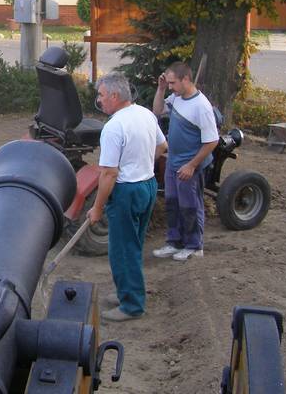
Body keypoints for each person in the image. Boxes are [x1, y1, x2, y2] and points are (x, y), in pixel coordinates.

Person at [86, 72, 167, 322]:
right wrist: (142, 163)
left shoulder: (113, 127)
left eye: (101, 95)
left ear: (114, 95)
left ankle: (132, 305)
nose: (99, 100)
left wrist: (97, 208)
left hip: (127, 192)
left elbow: (109, 173)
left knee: (123, 250)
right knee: (134, 245)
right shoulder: (145, 114)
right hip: (147, 186)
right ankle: (126, 291)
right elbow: (162, 146)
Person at [151, 61, 219, 261]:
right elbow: (157, 111)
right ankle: (174, 242)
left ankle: (194, 246)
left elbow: (212, 141)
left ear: (186, 79)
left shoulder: (201, 107)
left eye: (172, 83)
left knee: (190, 206)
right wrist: (161, 89)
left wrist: (191, 165)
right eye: (168, 83)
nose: (170, 87)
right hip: (173, 162)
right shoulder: (176, 98)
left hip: (189, 166)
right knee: (172, 203)